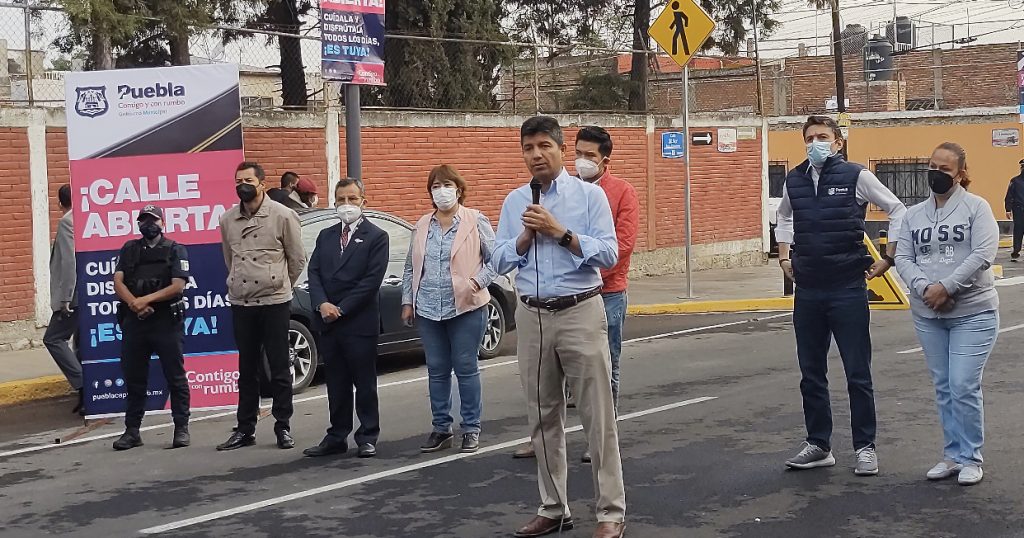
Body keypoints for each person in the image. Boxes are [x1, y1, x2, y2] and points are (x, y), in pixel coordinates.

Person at [494, 116, 626, 538]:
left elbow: (609, 253)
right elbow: (497, 260)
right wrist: (522, 241)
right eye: (528, 148)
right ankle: (553, 507)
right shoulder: (516, 200)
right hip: (531, 314)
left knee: (596, 415)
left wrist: (562, 233)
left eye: (543, 146)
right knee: (541, 415)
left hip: (579, 311)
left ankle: (610, 512)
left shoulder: (589, 197)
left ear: (560, 148)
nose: (536, 155)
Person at [776, 115, 907, 476]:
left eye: (822, 137)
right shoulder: (795, 179)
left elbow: (897, 209)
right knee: (811, 373)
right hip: (809, 289)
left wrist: (888, 258)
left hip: (847, 287)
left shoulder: (856, 175)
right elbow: (783, 217)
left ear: (837, 142)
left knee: (857, 372)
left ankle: (865, 446)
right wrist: (785, 256)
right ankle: (818, 444)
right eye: (809, 137)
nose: (815, 142)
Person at [895, 142, 999, 486]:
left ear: (960, 175)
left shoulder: (976, 208)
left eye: (944, 169)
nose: (935, 174)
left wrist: (948, 287)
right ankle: (952, 455)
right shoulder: (913, 215)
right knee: (943, 385)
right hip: (928, 314)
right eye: (932, 166)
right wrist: (927, 288)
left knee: (962, 384)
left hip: (974, 313)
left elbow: (983, 253)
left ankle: (972, 457)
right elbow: (904, 258)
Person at [401, 165, 497, 454]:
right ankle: (441, 427)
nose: (441, 191)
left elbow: (497, 260)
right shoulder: (421, 225)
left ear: (458, 188)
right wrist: (408, 301)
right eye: (435, 186)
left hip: (466, 306)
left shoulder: (475, 220)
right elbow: (410, 266)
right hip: (429, 308)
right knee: (437, 370)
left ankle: (471, 427)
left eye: (446, 185)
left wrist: (476, 283)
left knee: (466, 368)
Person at [217, 162, 306, 452]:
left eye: (248, 180)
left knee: (280, 367)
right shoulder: (227, 219)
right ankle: (245, 429)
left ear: (262, 184)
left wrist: (279, 283)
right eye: (238, 179)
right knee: (247, 368)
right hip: (242, 302)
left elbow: (296, 259)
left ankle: (283, 426)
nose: (242, 184)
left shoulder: (283, 215)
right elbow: (230, 258)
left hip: (275, 301)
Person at [302, 177, 388, 459]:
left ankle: (367, 435)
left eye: (352, 199)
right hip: (328, 323)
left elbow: (371, 280)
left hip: (358, 321)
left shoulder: (376, 237)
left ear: (364, 201)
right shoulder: (326, 235)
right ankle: (337, 435)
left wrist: (341, 308)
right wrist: (322, 304)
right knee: (336, 383)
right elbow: (313, 272)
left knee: (364, 383)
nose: (346, 205)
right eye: (341, 199)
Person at [111, 205, 191, 450]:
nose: (148, 224)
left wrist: (146, 300)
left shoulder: (176, 249)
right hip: (135, 321)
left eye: (153, 220)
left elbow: (178, 286)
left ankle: (181, 428)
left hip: (166, 321)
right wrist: (135, 304)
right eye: (143, 220)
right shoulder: (129, 249)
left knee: (175, 377)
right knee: (135, 379)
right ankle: (132, 431)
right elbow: (117, 281)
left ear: (162, 222)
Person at [44, 184, 84, 415]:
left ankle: (82, 386)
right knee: (80, 343)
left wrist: (66, 297)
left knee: (54, 339)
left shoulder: (67, 222)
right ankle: (86, 394)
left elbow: (69, 263)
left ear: (59, 203)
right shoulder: (81, 218)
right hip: (83, 294)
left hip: (74, 295)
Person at [1003, 159, 1024, 261]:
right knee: (1018, 230)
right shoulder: (1015, 181)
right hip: (1019, 210)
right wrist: (1008, 209)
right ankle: (1016, 251)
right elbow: (1009, 195)